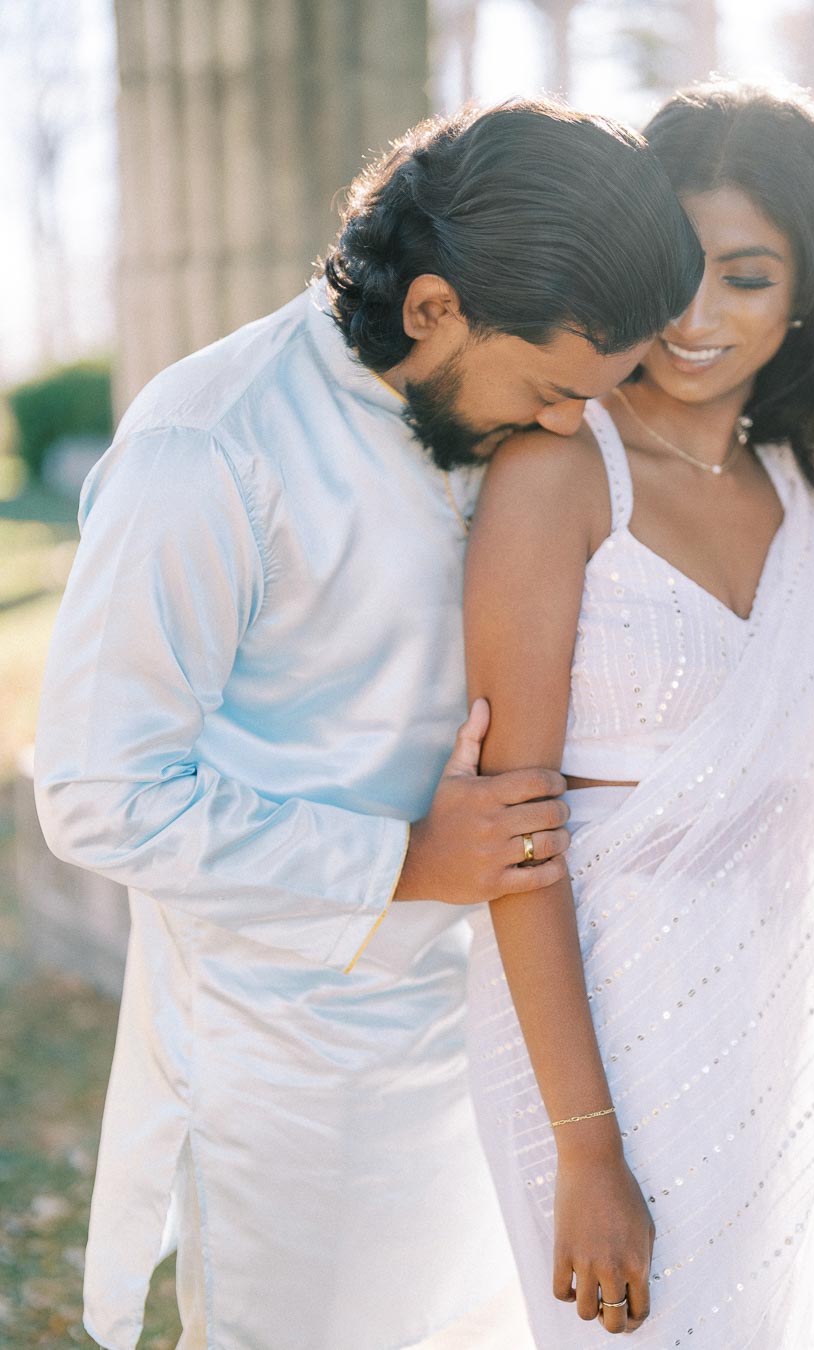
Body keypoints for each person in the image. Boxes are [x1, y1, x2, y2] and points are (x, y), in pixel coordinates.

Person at [33, 99, 703, 1350]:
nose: (570, 429)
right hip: (301, 1069)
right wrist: (401, 860)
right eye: (555, 391)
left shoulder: (502, 422)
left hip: (510, 1031)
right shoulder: (207, 448)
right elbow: (96, 792)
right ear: (435, 308)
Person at [464, 82, 814, 1348]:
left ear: (811, 284)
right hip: (603, 1034)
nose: (700, 319)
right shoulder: (558, 472)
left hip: (796, 1005)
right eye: (677, 271)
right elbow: (514, 829)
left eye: (749, 275)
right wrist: (588, 1152)